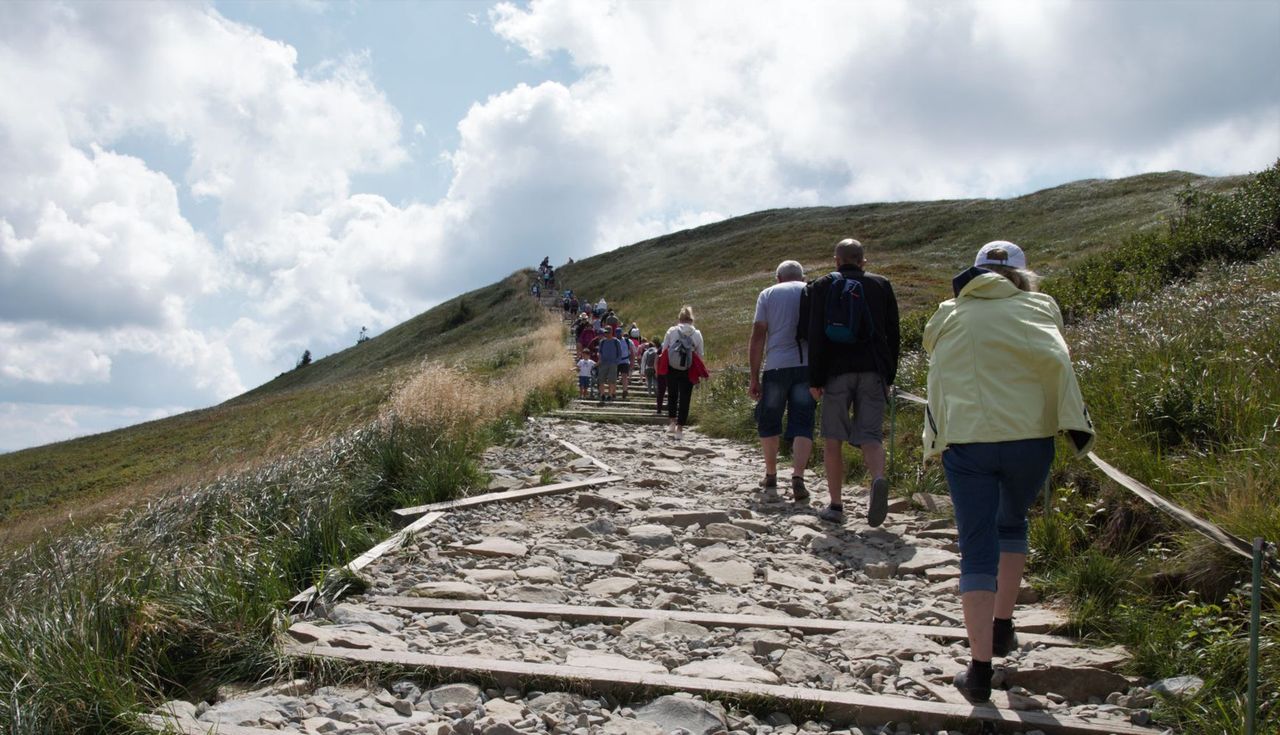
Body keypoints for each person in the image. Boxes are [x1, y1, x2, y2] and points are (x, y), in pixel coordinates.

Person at [923, 240, 1095, 703]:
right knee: (1013, 522)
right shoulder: (1040, 307)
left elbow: (934, 358)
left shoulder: (949, 312)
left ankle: (978, 671)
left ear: (974, 273)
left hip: (968, 440)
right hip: (1030, 438)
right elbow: (1056, 357)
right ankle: (1003, 628)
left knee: (976, 545)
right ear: (1023, 274)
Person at [807, 238, 900, 525]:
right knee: (871, 436)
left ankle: (835, 505)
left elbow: (815, 336)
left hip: (835, 372)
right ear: (863, 260)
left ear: (836, 260)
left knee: (833, 438)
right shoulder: (881, 284)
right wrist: (888, 375)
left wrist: (815, 378)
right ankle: (878, 479)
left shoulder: (822, 286)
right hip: (873, 370)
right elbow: (892, 333)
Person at [749, 260, 815, 503]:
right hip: (807, 366)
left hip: (776, 365)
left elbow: (758, 336)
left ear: (778, 278)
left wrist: (754, 377)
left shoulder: (768, 294)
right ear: (802, 276)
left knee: (770, 420)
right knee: (803, 421)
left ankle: (771, 474)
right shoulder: (812, 291)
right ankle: (798, 477)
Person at [661, 305, 705, 440]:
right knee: (685, 398)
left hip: (672, 367)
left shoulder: (672, 331)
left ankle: (672, 423)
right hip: (688, 368)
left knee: (672, 395)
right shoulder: (696, 334)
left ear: (679, 318)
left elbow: (664, 349)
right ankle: (680, 429)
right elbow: (700, 354)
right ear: (691, 319)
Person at [597, 326, 625, 404]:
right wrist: (600, 357)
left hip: (613, 363)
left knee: (611, 380)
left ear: (611, 332)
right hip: (603, 363)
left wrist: (616, 362)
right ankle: (602, 394)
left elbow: (620, 353)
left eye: (608, 332)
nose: (606, 334)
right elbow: (600, 351)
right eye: (605, 332)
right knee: (601, 379)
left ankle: (610, 395)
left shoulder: (616, 341)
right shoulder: (602, 342)